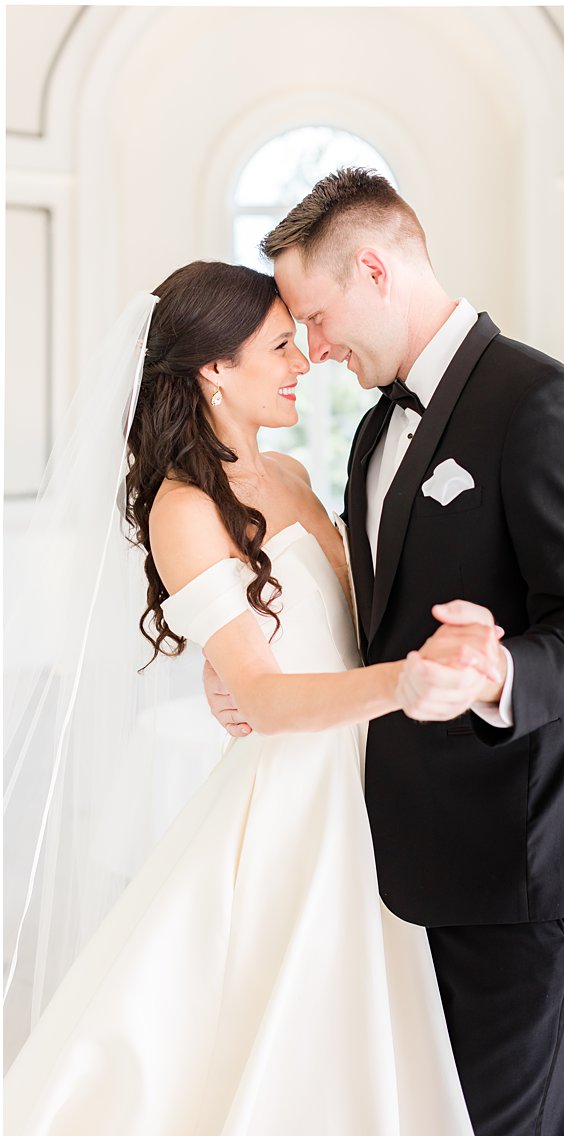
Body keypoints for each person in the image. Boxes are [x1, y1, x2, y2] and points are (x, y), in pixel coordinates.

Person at [4, 260, 500, 1133]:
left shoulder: (299, 476)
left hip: (368, 778)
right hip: (295, 799)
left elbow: (351, 620)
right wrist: (404, 685)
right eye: (279, 345)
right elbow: (265, 697)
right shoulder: (184, 507)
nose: (304, 358)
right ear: (214, 370)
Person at [209, 168, 564, 1136]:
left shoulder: (542, 403)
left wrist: (499, 672)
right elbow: (373, 617)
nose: (312, 350)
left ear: (372, 269)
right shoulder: (370, 435)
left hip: (517, 858)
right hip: (402, 855)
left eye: (315, 318)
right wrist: (242, 652)